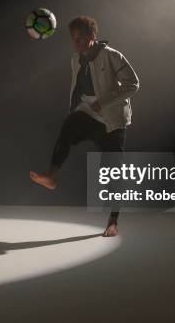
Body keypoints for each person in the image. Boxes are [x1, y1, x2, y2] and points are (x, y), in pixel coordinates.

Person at [30, 15, 140, 237]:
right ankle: (51, 175)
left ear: (92, 37)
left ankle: (113, 222)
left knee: (113, 172)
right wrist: (76, 108)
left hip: (110, 118)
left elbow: (133, 84)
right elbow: (77, 88)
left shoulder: (112, 56)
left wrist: (105, 101)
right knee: (69, 126)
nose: (76, 43)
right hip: (87, 112)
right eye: (74, 39)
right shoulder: (76, 59)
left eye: (81, 38)